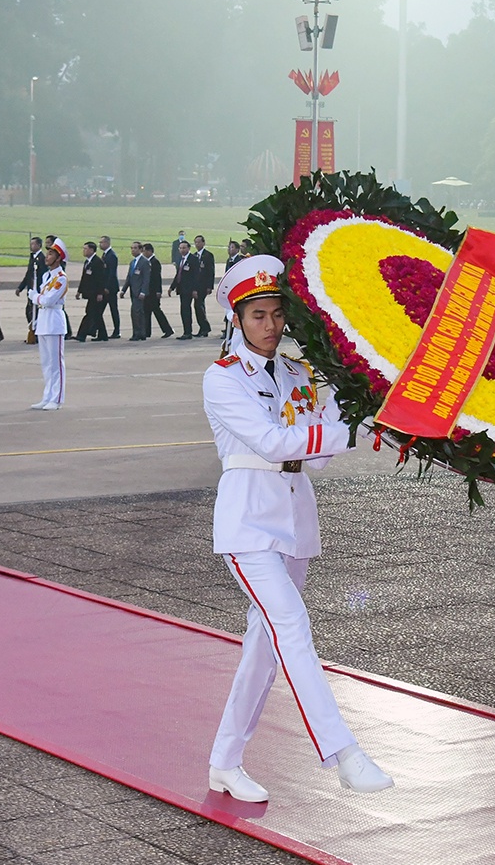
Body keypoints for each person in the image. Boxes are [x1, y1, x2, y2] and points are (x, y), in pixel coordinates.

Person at [202, 254, 392, 802]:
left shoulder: (295, 372)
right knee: (290, 625)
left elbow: (317, 458)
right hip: (248, 524)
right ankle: (345, 754)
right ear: (237, 319)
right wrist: (343, 430)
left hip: (295, 521)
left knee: (263, 647)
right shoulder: (222, 380)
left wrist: (345, 402)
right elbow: (274, 443)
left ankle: (225, 761)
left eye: (276, 313)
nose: (269, 324)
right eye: (257, 314)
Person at [30, 242, 68, 409]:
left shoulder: (61, 278)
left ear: (59, 258)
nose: (47, 256)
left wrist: (35, 297)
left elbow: (48, 300)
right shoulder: (47, 277)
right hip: (44, 320)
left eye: (51, 254)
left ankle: (57, 398)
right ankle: (47, 396)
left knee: (56, 363)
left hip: (54, 321)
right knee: (46, 363)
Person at [141, 242, 174, 338]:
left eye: (144, 251)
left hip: (153, 291)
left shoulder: (155, 262)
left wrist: (158, 291)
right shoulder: (147, 262)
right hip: (148, 291)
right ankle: (147, 331)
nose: (143, 253)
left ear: (149, 251)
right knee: (146, 311)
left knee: (156, 310)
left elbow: (157, 278)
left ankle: (167, 329)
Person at [189, 235, 216, 338]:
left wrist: (210, 286)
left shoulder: (208, 255)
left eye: (199, 242)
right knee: (199, 306)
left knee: (198, 305)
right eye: (195, 242)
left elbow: (211, 271)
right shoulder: (194, 256)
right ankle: (203, 327)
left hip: (204, 285)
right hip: (196, 285)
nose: (197, 244)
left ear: (203, 243)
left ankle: (205, 327)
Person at [123, 241, 150, 340]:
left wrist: (143, 291)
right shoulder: (132, 262)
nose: (133, 250)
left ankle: (137, 333)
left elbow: (146, 279)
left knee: (136, 313)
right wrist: (124, 290)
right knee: (137, 313)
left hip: (139, 292)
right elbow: (129, 277)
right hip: (133, 291)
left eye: (135, 248)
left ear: (141, 250)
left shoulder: (145, 262)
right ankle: (141, 333)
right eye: (132, 248)